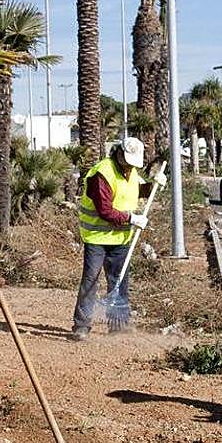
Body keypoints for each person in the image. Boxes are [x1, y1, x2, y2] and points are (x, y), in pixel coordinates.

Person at [71, 137, 167, 341]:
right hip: (97, 237)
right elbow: (104, 210)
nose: (130, 167)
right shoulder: (102, 174)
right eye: (128, 162)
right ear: (119, 154)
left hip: (121, 238)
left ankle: (118, 326)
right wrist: (132, 218)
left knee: (119, 280)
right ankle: (82, 325)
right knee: (91, 279)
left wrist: (154, 185)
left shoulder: (131, 172)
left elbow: (136, 191)